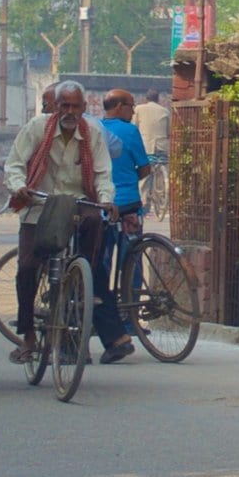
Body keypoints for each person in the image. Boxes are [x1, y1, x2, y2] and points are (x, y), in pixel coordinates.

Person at [4, 80, 122, 365]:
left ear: (84, 108)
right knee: (27, 268)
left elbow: (104, 173)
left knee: (97, 222)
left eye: (75, 106)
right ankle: (28, 335)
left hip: (78, 205)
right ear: (55, 107)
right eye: (64, 105)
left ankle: (85, 283)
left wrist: (107, 199)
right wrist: (19, 186)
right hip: (40, 204)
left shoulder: (93, 132)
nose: (70, 111)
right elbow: (15, 164)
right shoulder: (36, 128)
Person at [92, 89, 153, 363]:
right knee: (132, 263)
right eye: (130, 105)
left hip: (102, 208)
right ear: (118, 106)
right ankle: (130, 319)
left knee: (101, 264)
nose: (132, 110)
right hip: (128, 205)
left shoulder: (92, 129)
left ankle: (104, 316)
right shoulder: (129, 132)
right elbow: (145, 168)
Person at [133, 90, 171, 215]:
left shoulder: (139, 109)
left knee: (144, 176)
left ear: (146, 98)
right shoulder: (165, 111)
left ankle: (143, 202)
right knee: (161, 172)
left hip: (146, 146)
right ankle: (161, 196)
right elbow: (169, 132)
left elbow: (134, 127)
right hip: (161, 147)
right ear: (158, 99)